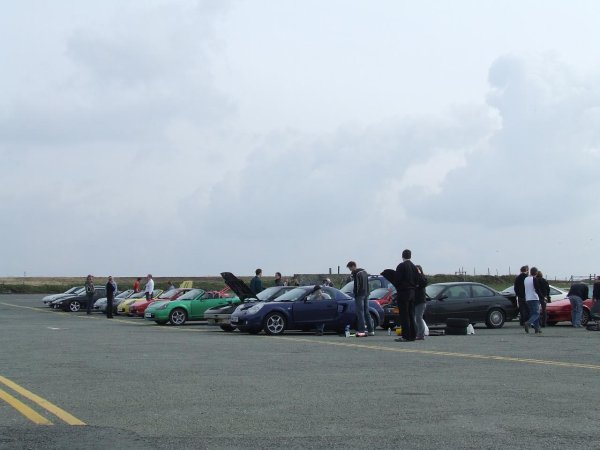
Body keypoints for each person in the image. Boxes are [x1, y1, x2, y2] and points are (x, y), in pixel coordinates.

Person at [392, 250, 419, 342]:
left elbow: (397, 280)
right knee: (411, 314)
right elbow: (417, 279)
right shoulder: (414, 267)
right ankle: (413, 335)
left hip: (403, 292)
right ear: (410, 256)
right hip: (412, 292)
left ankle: (406, 336)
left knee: (404, 315)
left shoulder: (401, 266)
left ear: (402, 256)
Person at [346, 261, 374, 337]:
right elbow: (367, 283)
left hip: (359, 295)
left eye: (350, 268)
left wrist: (355, 293)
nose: (350, 270)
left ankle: (362, 330)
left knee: (360, 312)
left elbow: (357, 285)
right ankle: (371, 330)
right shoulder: (364, 272)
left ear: (353, 266)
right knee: (366, 312)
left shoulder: (356, 273)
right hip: (366, 293)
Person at [524, 267, 543, 334]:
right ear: (536, 272)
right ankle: (528, 323)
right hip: (534, 298)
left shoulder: (526, 279)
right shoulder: (534, 279)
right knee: (536, 313)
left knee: (533, 313)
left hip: (528, 298)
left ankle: (537, 329)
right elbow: (537, 289)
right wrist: (542, 297)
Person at [414, 265, 428, 340]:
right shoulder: (414, 279)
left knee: (418, 318)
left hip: (421, 302)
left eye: (417, 270)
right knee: (415, 318)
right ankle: (417, 333)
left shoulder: (422, 278)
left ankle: (421, 334)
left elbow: (424, 283)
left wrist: (419, 274)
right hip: (415, 301)